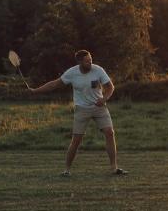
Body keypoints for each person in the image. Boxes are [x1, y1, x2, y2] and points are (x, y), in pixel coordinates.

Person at [29, 49, 127, 177]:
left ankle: (114, 168)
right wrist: (36, 91)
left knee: (110, 132)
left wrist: (104, 99)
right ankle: (67, 170)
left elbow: (110, 87)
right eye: (87, 61)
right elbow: (54, 84)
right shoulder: (72, 72)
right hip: (81, 109)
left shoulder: (98, 70)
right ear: (80, 62)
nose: (90, 63)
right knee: (76, 140)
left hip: (99, 107)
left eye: (91, 60)